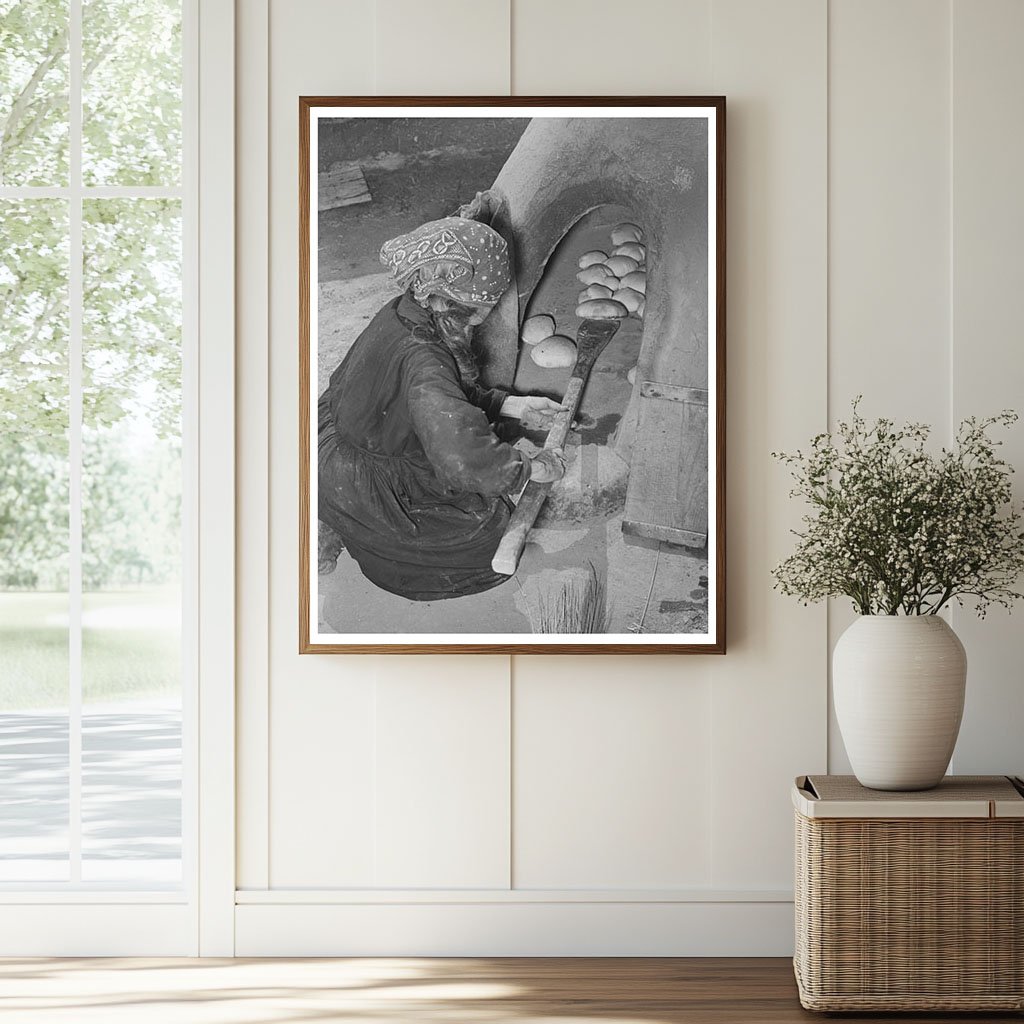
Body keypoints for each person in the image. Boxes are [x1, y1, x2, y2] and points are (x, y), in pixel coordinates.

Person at [318, 215, 567, 601]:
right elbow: (462, 461)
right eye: (490, 301)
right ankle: (357, 530)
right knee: (485, 539)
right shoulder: (426, 360)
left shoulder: (403, 311)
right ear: (476, 307)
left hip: (329, 448)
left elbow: (431, 399)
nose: (490, 309)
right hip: (364, 485)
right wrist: (528, 467)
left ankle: (336, 523)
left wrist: (512, 406)